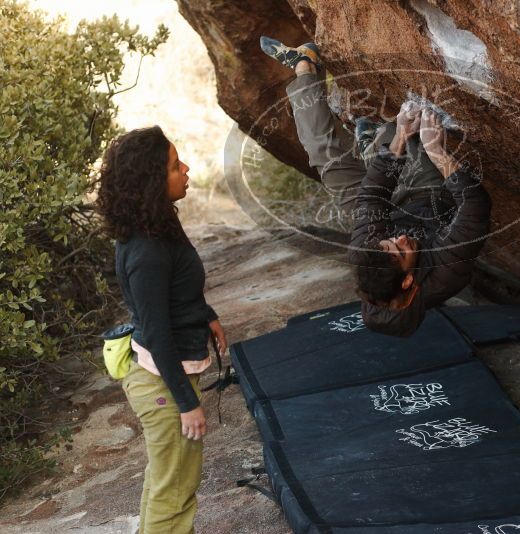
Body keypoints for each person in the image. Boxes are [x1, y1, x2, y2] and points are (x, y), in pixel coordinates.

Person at [261, 38, 491, 336]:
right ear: (409, 281)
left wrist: (397, 142)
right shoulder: (446, 272)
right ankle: (373, 141)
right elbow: (476, 204)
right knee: (416, 128)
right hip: (427, 198)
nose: (401, 238)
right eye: (401, 251)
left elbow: (372, 194)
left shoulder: (366, 253)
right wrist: (437, 151)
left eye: (389, 242)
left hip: (381, 207)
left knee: (323, 151)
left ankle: (304, 66)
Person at [96, 126, 227, 533]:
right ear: (153, 182)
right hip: (161, 385)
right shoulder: (147, 251)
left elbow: (178, 288)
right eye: (174, 166)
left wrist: (207, 314)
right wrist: (187, 402)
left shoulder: (157, 224)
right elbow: (156, 333)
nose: (186, 169)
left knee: (166, 482)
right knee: (175, 490)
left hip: (161, 376)